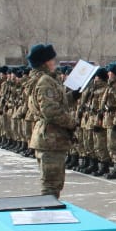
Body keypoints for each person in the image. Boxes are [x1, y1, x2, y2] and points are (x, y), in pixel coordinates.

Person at [27, 42, 78, 198]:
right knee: (51, 186)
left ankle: (49, 214)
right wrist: (71, 122)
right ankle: (48, 217)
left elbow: (54, 103)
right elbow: (50, 111)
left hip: (49, 138)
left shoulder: (43, 79)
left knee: (53, 184)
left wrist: (73, 96)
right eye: (52, 59)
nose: (54, 63)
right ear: (45, 62)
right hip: (51, 139)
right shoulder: (45, 81)